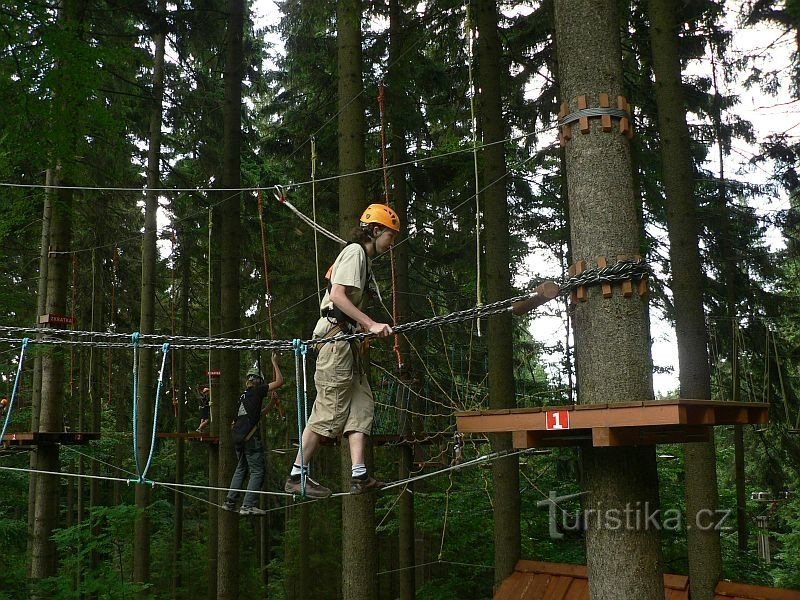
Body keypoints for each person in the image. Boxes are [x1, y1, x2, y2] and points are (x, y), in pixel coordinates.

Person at [284, 203, 399, 498]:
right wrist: (371, 323)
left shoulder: (363, 258)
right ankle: (297, 475)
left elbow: (346, 304)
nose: (392, 243)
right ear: (375, 231)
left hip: (346, 341)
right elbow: (337, 295)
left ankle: (359, 475)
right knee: (330, 410)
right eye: (390, 236)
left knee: (362, 406)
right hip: (335, 343)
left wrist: (361, 328)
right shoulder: (354, 252)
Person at [223, 354, 284, 516]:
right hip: (249, 439)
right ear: (258, 381)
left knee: (241, 468)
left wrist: (271, 404)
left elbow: (257, 415)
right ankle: (248, 505)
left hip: (238, 437)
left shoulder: (243, 397)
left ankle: (230, 501)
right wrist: (274, 363)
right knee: (257, 471)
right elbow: (279, 382)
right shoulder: (257, 391)